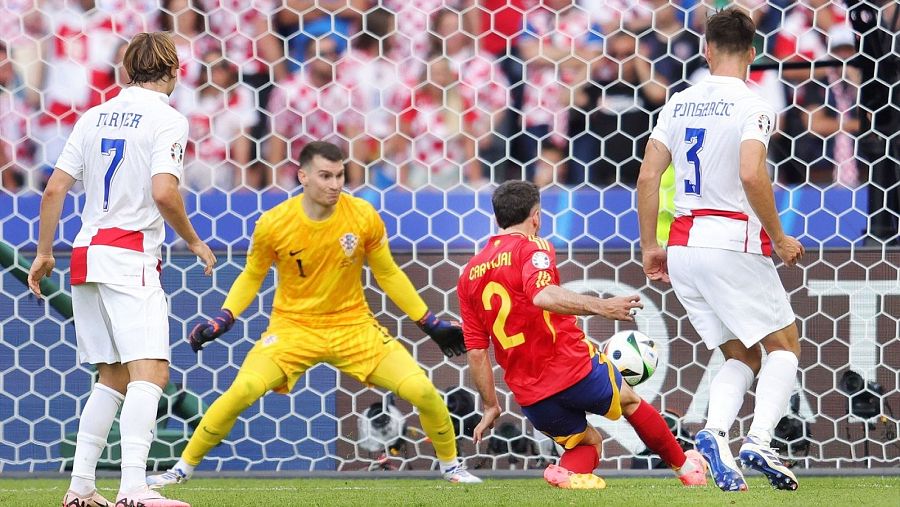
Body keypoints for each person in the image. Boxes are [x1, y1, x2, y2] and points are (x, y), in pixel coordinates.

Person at [148, 141, 482, 487]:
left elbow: (389, 274)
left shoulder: (363, 216)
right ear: (303, 176)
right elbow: (251, 276)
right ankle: (181, 470)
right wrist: (225, 317)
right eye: (325, 176)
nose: (335, 184)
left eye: (340, 175)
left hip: (354, 327)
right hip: (292, 329)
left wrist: (429, 323)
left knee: (422, 391)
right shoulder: (274, 223)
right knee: (241, 390)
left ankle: (451, 467)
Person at [27, 32, 215, 507]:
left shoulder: (92, 116)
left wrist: (44, 252)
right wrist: (192, 240)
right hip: (129, 254)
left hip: (85, 252)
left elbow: (54, 190)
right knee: (151, 371)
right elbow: (165, 193)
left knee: (111, 377)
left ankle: (81, 489)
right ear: (173, 69)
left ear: (126, 70)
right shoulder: (167, 119)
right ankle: (135, 488)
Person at [636, 8, 805, 493]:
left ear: (706, 51)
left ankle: (713, 434)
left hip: (684, 245)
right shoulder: (754, 105)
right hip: (731, 240)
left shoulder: (678, 102)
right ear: (753, 55)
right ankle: (760, 440)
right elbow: (752, 174)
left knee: (743, 354)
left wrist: (652, 245)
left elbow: (648, 176)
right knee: (784, 346)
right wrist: (777, 236)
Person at [458, 180, 708, 490]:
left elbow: (477, 351)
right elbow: (542, 295)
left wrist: (490, 406)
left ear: (498, 218)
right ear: (535, 216)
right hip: (570, 366)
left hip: (529, 393)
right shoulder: (533, 246)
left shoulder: (469, 272)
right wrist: (603, 307)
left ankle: (566, 473)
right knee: (630, 401)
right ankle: (687, 469)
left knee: (587, 443)